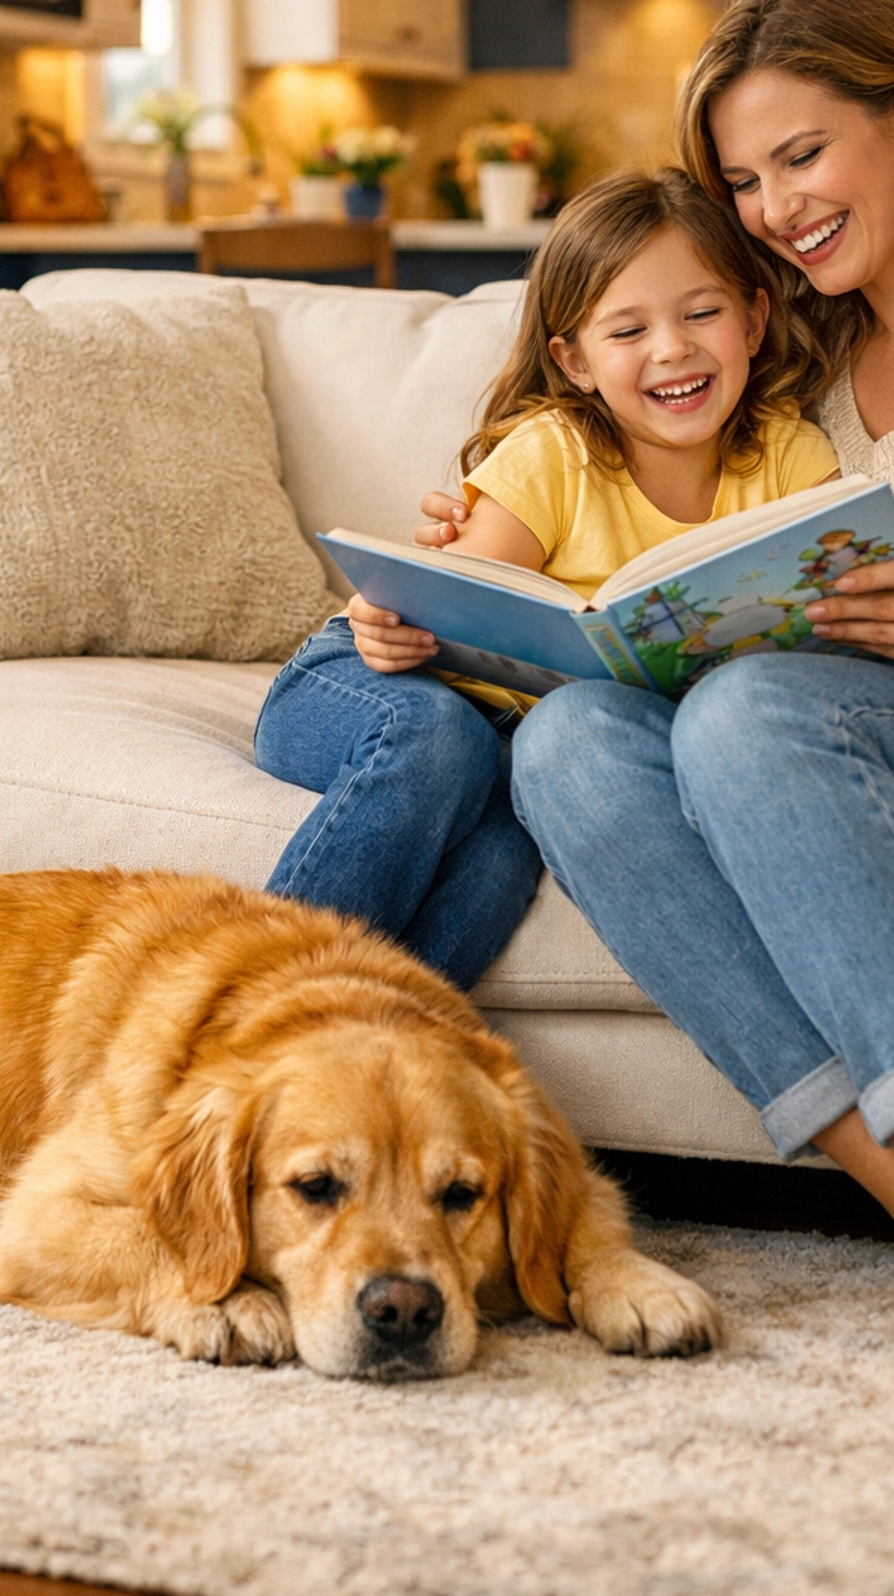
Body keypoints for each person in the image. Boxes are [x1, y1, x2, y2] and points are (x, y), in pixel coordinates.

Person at [403, 0, 894, 1409]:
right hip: (837, 740)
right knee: (571, 740)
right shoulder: (796, 347)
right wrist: (484, 541)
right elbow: (626, 477)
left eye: (802, 156)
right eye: (744, 180)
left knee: (758, 712)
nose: (774, 207)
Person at [254, 166, 838, 988]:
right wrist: (394, 617)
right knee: (446, 741)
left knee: (505, 850)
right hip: (367, 675)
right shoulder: (557, 452)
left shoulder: (791, 457)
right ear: (574, 361)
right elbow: (447, 603)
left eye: (702, 313)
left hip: (511, 742)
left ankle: (378, 1056)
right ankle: (244, 1011)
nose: (673, 347)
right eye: (627, 331)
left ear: (753, 318)